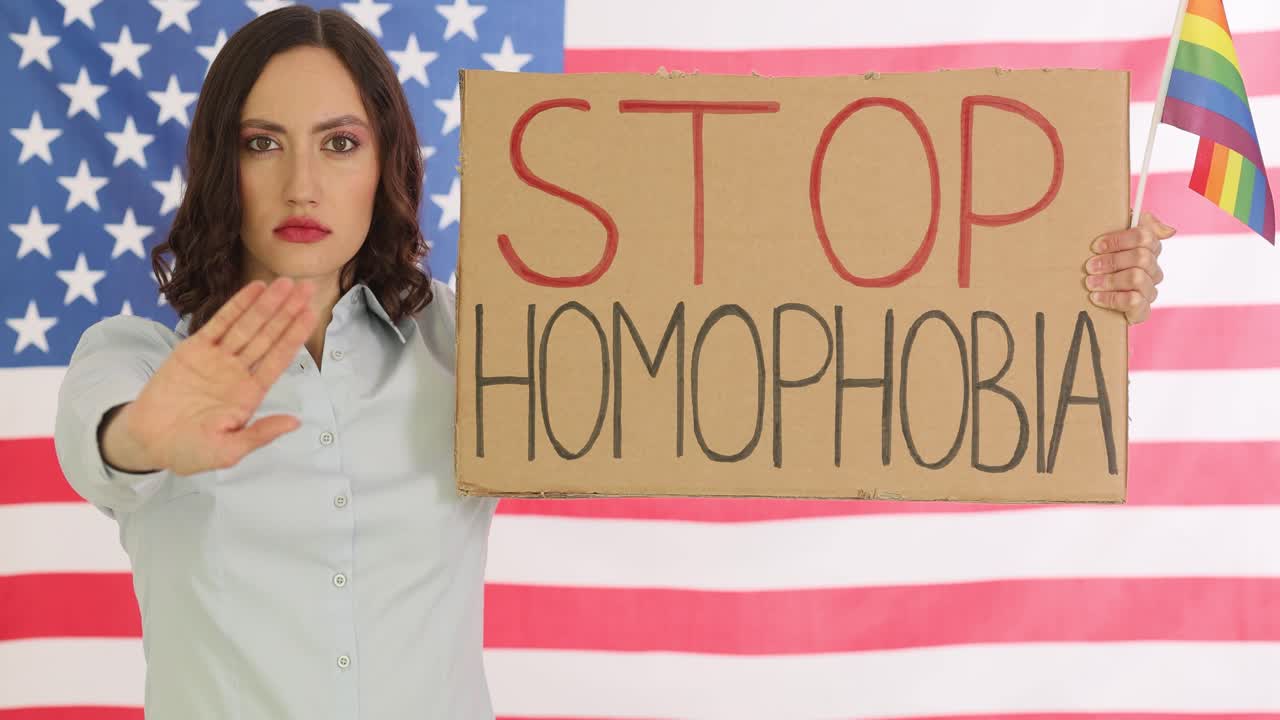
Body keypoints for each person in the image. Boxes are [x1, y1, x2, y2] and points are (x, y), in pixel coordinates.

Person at [52, 5, 1176, 719]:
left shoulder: (472, 338)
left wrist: (1064, 277)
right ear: (220, 164)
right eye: (263, 143)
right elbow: (103, 440)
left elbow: (756, 306)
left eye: (338, 143)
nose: (302, 184)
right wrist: (140, 439)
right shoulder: (142, 359)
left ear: (383, 161)